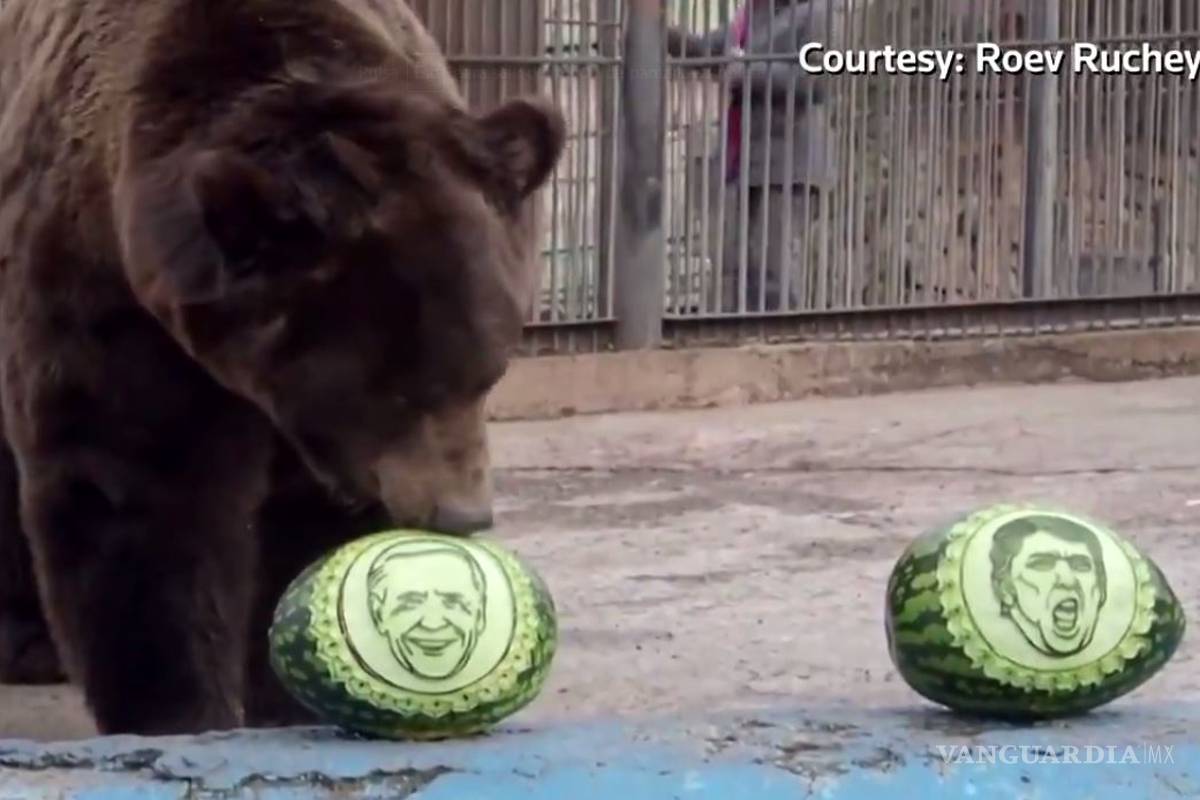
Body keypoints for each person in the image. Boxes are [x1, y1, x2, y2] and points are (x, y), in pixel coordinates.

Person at [668, 0, 843, 313]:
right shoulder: (750, 16)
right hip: (746, 160)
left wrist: (745, 68)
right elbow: (706, 51)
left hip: (789, 162)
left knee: (773, 266)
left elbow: (814, 80)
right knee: (739, 266)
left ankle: (781, 343)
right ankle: (746, 341)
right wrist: (656, 31)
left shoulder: (817, 13)